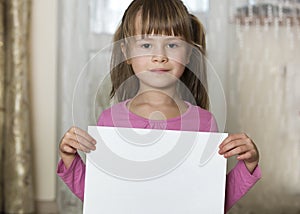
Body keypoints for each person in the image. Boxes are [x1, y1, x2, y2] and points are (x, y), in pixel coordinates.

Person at [57, 0, 261, 212]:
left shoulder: (204, 123)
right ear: (126, 53)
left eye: (172, 45)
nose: (160, 56)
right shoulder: (110, 121)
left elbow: (212, 199)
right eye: (146, 45)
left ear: (189, 53)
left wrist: (247, 165)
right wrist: (70, 159)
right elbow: (100, 196)